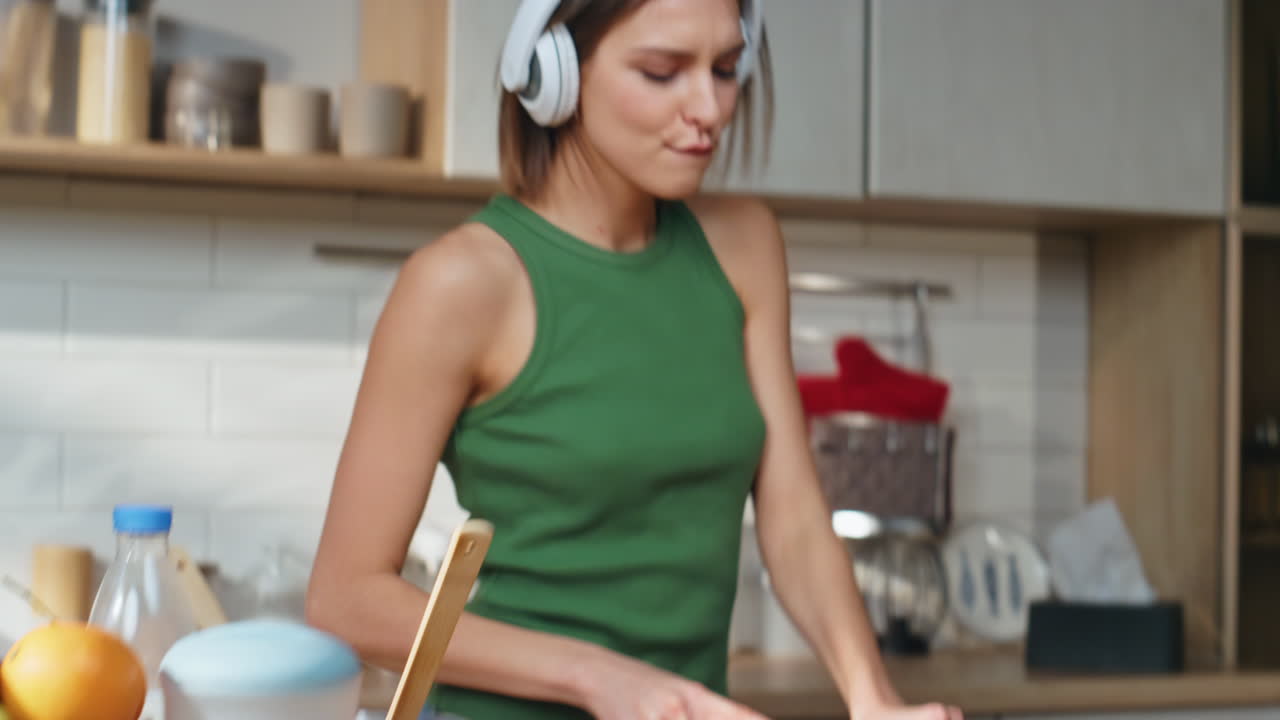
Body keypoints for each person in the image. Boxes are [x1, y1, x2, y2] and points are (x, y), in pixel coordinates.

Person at [306, 1, 964, 719]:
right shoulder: (461, 284)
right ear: (554, 72)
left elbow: (794, 517)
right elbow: (346, 599)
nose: (708, 108)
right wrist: (598, 677)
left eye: (724, 68)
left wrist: (873, 698)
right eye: (661, 72)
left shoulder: (743, 246)